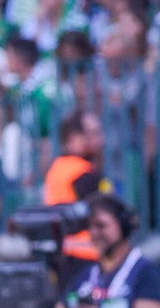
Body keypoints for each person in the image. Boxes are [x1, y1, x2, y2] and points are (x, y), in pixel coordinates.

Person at [44, 111, 112, 266]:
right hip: (88, 256)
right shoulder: (83, 173)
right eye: (94, 133)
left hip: (64, 255)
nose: (101, 140)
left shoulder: (59, 167)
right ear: (74, 138)